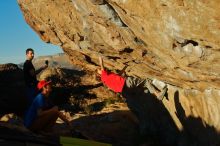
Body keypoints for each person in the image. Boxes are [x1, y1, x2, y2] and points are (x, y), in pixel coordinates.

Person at [97, 56, 168, 100]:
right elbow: (102, 67)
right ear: (99, 74)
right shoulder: (104, 76)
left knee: (143, 85)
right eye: (99, 70)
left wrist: (125, 67)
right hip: (126, 82)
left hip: (126, 89)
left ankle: (153, 92)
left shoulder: (107, 79)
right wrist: (100, 59)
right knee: (146, 81)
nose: (100, 69)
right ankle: (158, 94)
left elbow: (119, 74)